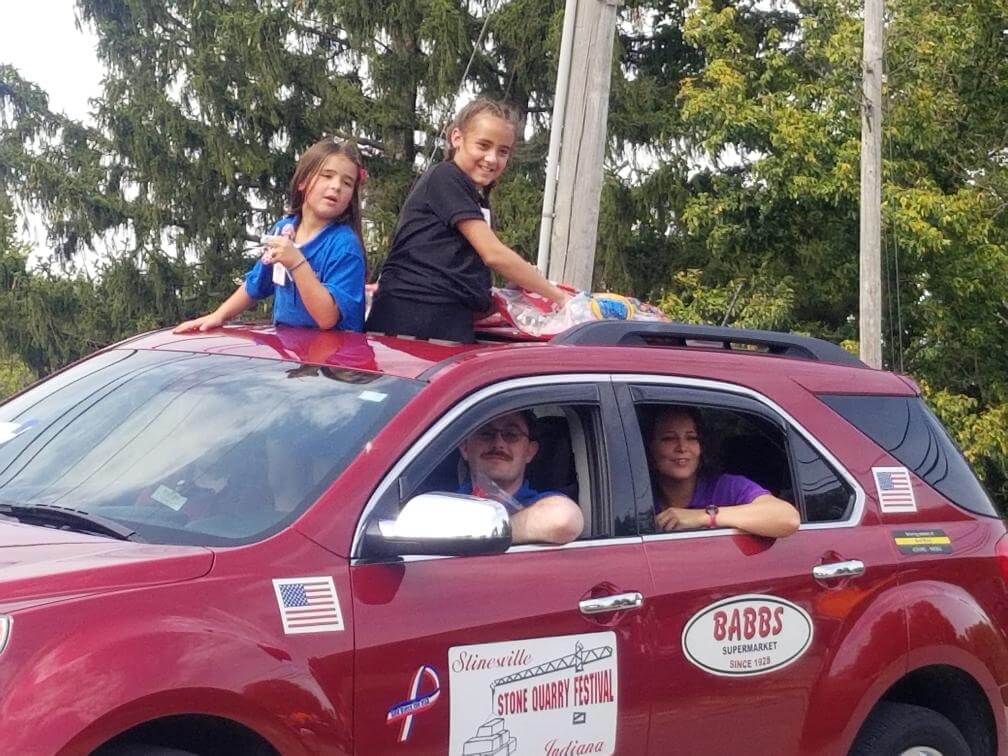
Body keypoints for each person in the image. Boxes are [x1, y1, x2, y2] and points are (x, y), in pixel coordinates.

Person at [366, 98, 571, 343]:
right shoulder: (445, 177)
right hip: (411, 318)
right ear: (456, 138)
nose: (492, 158)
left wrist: (515, 283)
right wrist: (560, 298)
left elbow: (463, 268)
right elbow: (493, 254)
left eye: (503, 151)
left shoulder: (476, 198)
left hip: (447, 318)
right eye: (483, 145)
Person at [174, 139, 367, 334]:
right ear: (302, 181)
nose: (336, 186)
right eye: (327, 176)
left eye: (347, 183)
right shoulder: (283, 230)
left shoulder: (344, 246)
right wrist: (219, 315)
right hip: (292, 355)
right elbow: (256, 283)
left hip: (335, 360)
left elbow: (327, 318)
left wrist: (297, 263)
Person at [648, 406, 800, 538]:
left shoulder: (726, 487)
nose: (682, 447)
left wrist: (702, 517)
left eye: (691, 438)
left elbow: (787, 517)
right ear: (649, 447)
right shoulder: (635, 495)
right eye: (668, 439)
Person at [457, 411, 583, 545]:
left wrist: (488, 532)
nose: (498, 443)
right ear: (464, 447)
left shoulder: (539, 505)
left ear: (530, 451)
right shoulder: (445, 503)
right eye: (486, 433)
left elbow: (564, 519)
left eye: (511, 434)